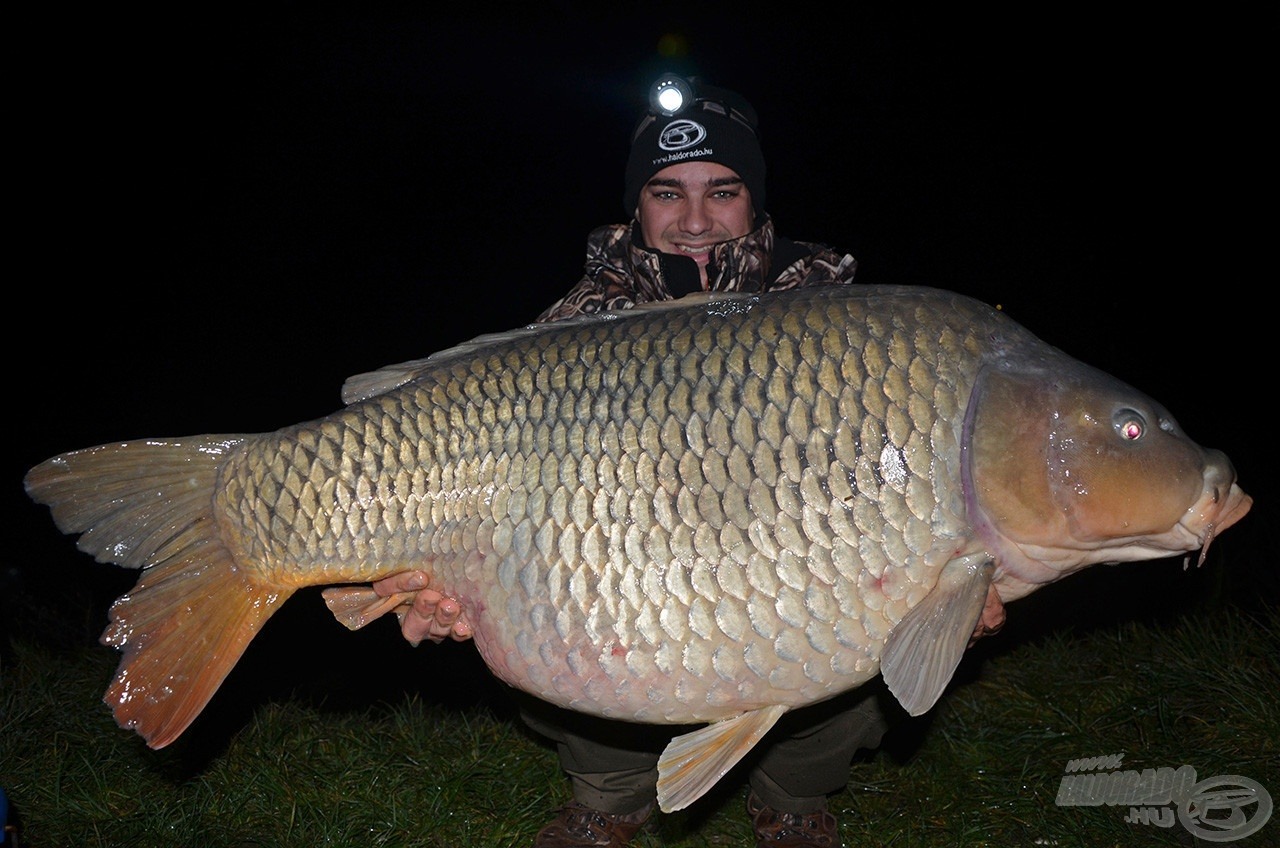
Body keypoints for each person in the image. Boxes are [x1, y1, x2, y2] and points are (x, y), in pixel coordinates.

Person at [371, 76, 1006, 848]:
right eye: (668, 194)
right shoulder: (578, 324)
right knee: (561, 608)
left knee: (860, 617)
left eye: (723, 191)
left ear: (756, 200)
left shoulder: (838, 316)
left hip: (790, 579)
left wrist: (956, 592)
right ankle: (610, 796)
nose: (696, 221)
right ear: (637, 205)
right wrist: (450, 583)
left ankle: (794, 797)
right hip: (631, 584)